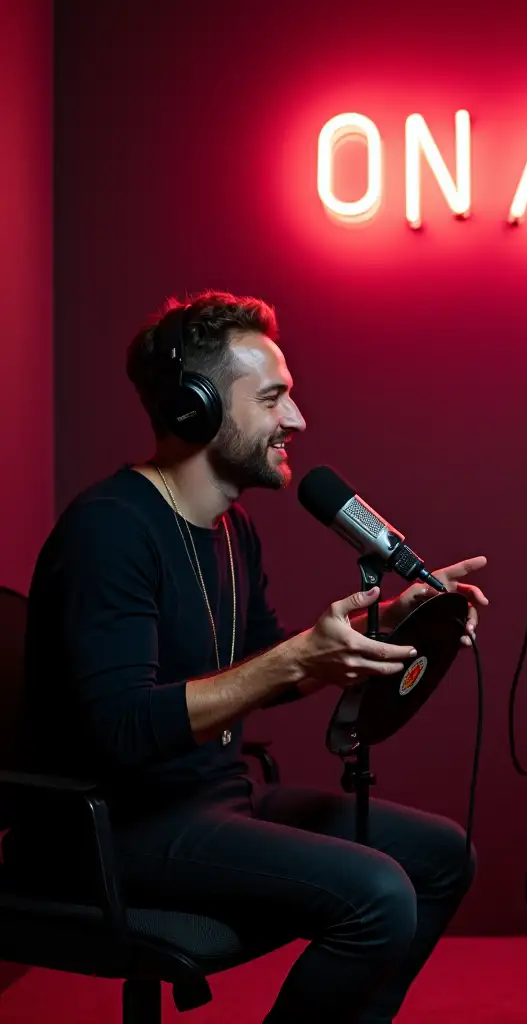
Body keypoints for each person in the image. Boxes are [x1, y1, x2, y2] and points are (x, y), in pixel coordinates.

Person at [3, 290, 488, 1024]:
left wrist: (387, 620)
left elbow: (260, 661)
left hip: (213, 801)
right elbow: (122, 728)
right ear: (194, 409)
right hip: (111, 834)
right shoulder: (108, 531)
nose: (295, 420)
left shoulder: (232, 531)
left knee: (442, 856)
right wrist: (294, 660)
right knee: (380, 894)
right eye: (272, 399)